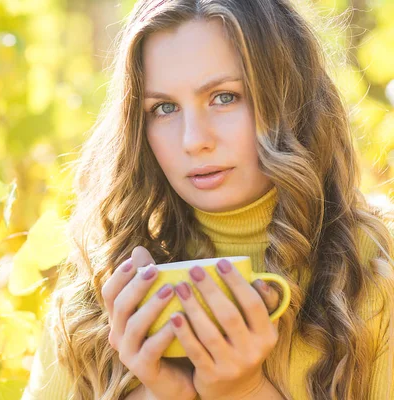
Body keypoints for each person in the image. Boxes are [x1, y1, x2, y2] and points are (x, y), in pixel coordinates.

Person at [22, 0, 394, 399]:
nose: (193, 140)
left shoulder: (374, 272)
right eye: (164, 108)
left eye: (224, 97)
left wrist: (244, 390)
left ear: (290, 97)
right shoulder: (99, 289)